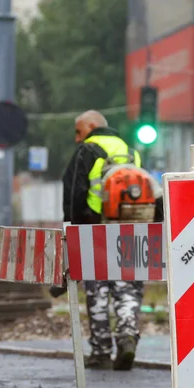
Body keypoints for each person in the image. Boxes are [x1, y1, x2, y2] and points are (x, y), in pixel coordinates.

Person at [62, 110, 147, 371]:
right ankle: (128, 337)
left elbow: (75, 192)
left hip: (94, 229)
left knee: (97, 290)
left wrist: (73, 230)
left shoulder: (87, 150)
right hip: (130, 228)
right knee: (128, 288)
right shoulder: (132, 152)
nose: (77, 138)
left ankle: (100, 350)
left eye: (79, 131)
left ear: (91, 126)